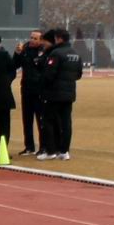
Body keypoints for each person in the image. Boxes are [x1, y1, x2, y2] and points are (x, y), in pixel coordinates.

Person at [37, 27, 83, 160]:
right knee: (66, 122)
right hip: (69, 93)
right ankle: (64, 151)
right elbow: (78, 74)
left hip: (53, 94)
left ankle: (51, 151)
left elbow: (49, 75)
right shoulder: (75, 53)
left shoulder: (56, 53)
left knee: (48, 121)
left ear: (59, 39)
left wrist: (43, 86)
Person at [15, 29, 46, 155]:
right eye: (31, 37)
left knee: (41, 120)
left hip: (39, 89)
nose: (32, 40)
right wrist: (17, 53)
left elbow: (42, 66)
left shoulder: (44, 51)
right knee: (27, 119)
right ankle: (29, 146)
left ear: (41, 40)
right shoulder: (25, 49)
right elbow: (15, 65)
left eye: (35, 38)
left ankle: (43, 146)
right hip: (26, 88)